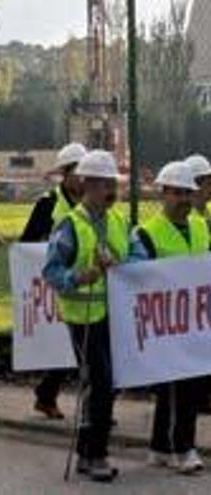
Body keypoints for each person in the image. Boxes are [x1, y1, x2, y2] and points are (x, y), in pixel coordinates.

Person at [42, 150, 127, 482]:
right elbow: (51, 271)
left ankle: (88, 451)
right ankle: (95, 454)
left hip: (113, 315)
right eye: (103, 183)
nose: (110, 190)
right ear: (86, 184)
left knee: (106, 383)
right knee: (101, 383)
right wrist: (79, 277)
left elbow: (130, 257)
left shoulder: (118, 220)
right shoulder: (70, 225)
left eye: (113, 183)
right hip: (84, 317)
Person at [130, 161, 207, 474]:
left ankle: (160, 447)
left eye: (188, 192)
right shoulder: (146, 234)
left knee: (181, 386)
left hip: (195, 323)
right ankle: (183, 449)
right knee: (181, 387)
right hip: (164, 324)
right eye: (177, 193)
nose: (185, 199)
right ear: (163, 194)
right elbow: (135, 277)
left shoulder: (202, 227)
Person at [22, 142, 87, 420]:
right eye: (80, 172)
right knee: (69, 346)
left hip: (83, 284)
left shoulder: (91, 202)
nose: (85, 178)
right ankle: (49, 396)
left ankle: (53, 397)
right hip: (53, 287)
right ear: (66, 173)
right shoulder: (48, 204)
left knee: (79, 347)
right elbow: (27, 243)